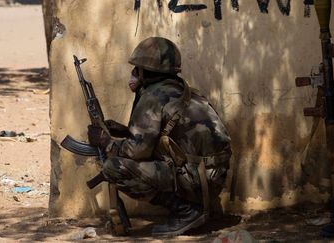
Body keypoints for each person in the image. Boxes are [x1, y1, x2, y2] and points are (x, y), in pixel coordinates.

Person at [87, 37, 232, 236]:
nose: (133, 74)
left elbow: (136, 152)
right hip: (214, 178)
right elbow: (166, 135)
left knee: (114, 168)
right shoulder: (184, 90)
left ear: (146, 71)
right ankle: (193, 207)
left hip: (197, 181)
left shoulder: (152, 97)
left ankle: (187, 210)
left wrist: (106, 143)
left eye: (136, 68)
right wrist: (125, 131)